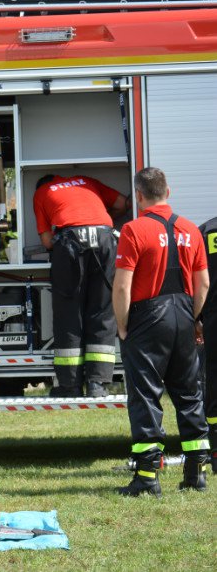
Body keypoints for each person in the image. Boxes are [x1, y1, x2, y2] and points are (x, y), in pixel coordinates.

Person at [112, 167, 210, 497]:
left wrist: (123, 326)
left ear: (139, 196)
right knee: (189, 394)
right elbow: (204, 283)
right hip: (184, 316)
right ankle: (197, 472)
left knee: (146, 397)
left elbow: (122, 287)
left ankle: (146, 477)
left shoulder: (133, 230)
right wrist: (193, 318)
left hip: (147, 319)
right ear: (169, 191)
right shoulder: (190, 229)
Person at [33, 173, 129, 397]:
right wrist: (103, 220)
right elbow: (124, 203)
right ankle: (98, 384)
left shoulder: (42, 192)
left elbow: (47, 241)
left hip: (70, 243)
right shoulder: (87, 180)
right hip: (105, 239)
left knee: (69, 313)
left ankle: (70, 385)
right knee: (103, 310)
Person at [199, 213, 217, 474]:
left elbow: (197, 279)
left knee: (214, 383)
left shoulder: (205, 231)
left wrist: (195, 318)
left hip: (213, 318)